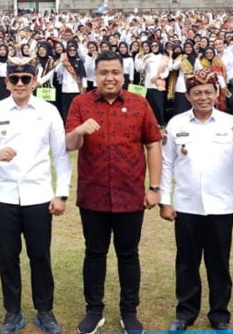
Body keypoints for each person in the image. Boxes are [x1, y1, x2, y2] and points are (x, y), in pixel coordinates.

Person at [64, 50, 163, 334]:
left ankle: (129, 311)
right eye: (104, 73)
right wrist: (80, 130)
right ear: (96, 75)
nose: (110, 78)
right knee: (94, 253)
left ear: (123, 75)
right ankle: (94, 310)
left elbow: (153, 144)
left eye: (115, 72)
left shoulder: (139, 103)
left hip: (130, 194)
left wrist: (154, 188)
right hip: (93, 195)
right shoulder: (80, 103)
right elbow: (69, 144)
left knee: (128, 254)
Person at [160, 68, 233, 331]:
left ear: (217, 93)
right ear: (188, 95)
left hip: (220, 206)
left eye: (208, 92)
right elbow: (167, 164)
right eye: (197, 93)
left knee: (219, 264)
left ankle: (219, 314)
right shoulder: (177, 124)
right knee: (186, 263)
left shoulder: (230, 122)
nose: (203, 97)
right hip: (186, 205)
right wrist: (165, 200)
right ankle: (185, 313)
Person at [0, 57, 71, 334]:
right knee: (8, 256)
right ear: (6, 82)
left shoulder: (48, 111)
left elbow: (61, 155)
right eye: (14, 79)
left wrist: (61, 194)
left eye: (25, 79)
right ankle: (12, 312)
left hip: (38, 195)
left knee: (40, 255)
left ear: (34, 81)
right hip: (4, 196)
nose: (20, 84)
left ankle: (45, 310)